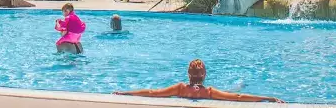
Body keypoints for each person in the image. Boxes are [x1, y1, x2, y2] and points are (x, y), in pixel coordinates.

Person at [114, 59, 283, 103]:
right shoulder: (209, 92)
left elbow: (151, 93)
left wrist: (124, 92)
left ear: (188, 73)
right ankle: (241, 82)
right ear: (205, 74)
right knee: (234, 89)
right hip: (214, 95)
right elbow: (238, 98)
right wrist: (267, 98)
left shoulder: (180, 89)